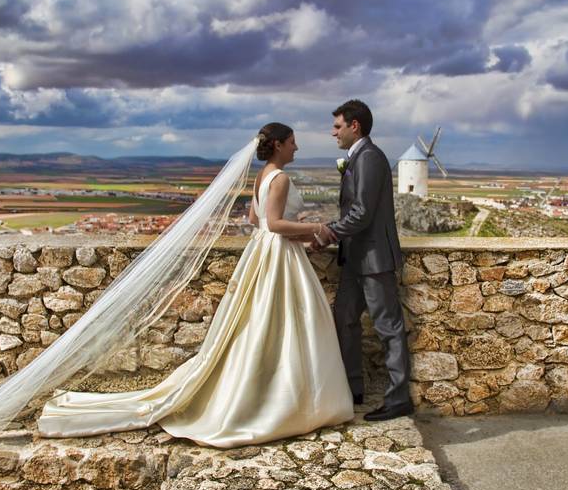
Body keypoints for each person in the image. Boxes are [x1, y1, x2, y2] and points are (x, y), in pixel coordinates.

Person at [36, 123, 354, 446]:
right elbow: (273, 224)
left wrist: (298, 232)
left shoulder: (261, 177)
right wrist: (316, 226)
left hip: (263, 252)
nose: (296, 148)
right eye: (292, 142)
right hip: (279, 259)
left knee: (257, 326)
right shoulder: (281, 178)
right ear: (277, 146)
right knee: (286, 326)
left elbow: (254, 222)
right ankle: (288, 400)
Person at [315, 100, 414, 422]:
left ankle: (398, 399)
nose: (333, 133)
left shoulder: (370, 157)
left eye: (337, 126)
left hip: (374, 259)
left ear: (354, 126)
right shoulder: (357, 157)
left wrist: (327, 232)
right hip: (354, 259)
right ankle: (351, 387)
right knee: (344, 320)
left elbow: (361, 213)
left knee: (388, 329)